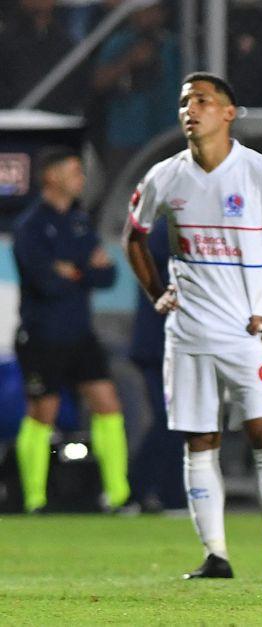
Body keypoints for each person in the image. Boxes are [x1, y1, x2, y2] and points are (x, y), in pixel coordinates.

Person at [122, 72, 262, 578]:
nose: (190, 109)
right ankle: (216, 555)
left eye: (202, 101)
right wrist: (157, 293)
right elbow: (133, 238)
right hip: (188, 336)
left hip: (248, 335)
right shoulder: (164, 177)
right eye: (184, 102)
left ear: (228, 113)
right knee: (199, 441)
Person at [13, 146, 130, 514]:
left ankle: (118, 495)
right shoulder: (31, 226)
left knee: (107, 404)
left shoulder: (79, 222)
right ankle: (34, 498)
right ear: (52, 176)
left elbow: (107, 274)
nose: (81, 179)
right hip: (42, 335)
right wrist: (82, 270)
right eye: (74, 171)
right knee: (42, 413)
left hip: (80, 334)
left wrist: (71, 269)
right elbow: (46, 282)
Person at [127, 216, 186, 513]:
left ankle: (148, 492)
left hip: (173, 345)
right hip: (159, 345)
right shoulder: (168, 230)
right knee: (172, 419)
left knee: (176, 418)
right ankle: (156, 493)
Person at [92, 2, 181, 177]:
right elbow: (98, 82)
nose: (148, 17)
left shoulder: (174, 45)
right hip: (126, 136)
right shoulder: (119, 43)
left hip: (166, 134)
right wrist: (129, 60)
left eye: (153, 11)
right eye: (142, 12)